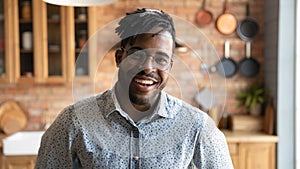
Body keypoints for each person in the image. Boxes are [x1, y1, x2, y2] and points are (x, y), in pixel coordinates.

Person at [35, 8, 233, 169]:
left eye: (161, 59)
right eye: (137, 55)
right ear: (119, 58)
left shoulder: (196, 125)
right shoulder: (73, 121)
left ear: (169, 66)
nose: (148, 67)